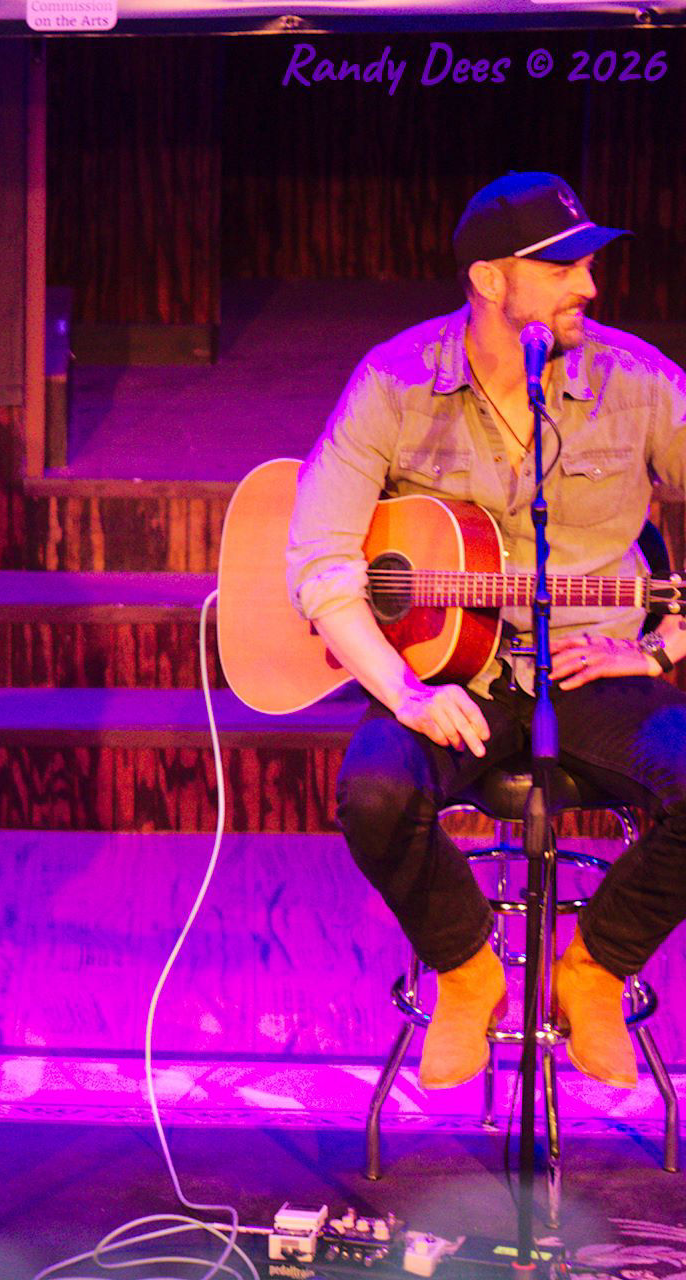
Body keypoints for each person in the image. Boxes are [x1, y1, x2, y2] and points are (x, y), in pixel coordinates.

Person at [287, 172, 686, 1092]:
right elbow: (321, 559)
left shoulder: (638, 380)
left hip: (595, 674)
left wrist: (659, 648)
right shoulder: (393, 380)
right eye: (562, 267)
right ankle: (468, 967)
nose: (589, 284)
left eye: (589, 262)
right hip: (450, 673)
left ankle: (595, 965)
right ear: (490, 281)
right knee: (374, 792)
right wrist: (408, 694)